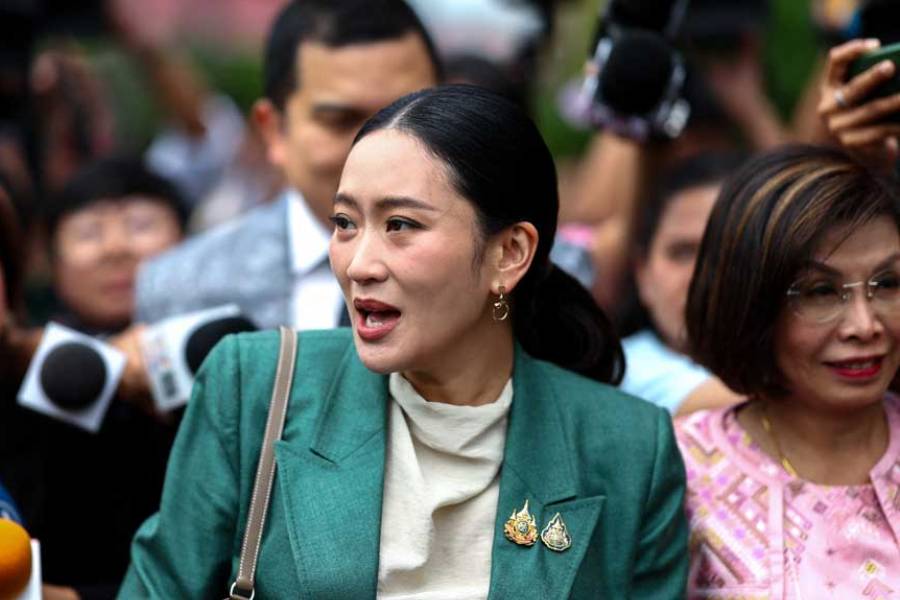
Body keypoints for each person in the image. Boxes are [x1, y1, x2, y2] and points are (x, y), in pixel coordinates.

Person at [120, 85, 688, 599]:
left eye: (400, 225)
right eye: (345, 223)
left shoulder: (630, 447)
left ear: (509, 253)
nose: (358, 265)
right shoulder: (255, 386)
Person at [135, 0, 441, 331]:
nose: (378, 148)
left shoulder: (481, 272)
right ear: (274, 130)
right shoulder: (182, 288)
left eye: (411, 117)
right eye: (341, 121)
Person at [677, 145, 900, 596]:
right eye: (820, 291)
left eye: (888, 283)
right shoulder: (680, 473)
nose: (864, 325)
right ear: (751, 304)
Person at [619, 153, 745, 415]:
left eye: (728, 252)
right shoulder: (622, 368)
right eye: (682, 252)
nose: (701, 275)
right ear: (643, 275)